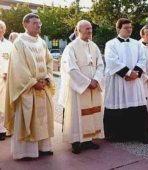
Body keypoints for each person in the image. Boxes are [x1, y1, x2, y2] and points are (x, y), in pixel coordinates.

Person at [4, 13, 55, 161]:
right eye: (35, 23)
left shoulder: (42, 42)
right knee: (27, 119)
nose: (39, 25)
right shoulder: (19, 43)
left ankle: (43, 148)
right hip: (27, 89)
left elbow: (49, 61)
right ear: (25, 25)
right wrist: (33, 83)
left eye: (39, 23)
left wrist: (46, 78)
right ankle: (26, 152)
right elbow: (18, 68)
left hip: (42, 86)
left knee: (43, 119)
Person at [58, 20, 104, 154]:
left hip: (93, 86)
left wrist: (96, 80)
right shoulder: (71, 47)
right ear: (78, 31)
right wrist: (86, 82)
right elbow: (70, 68)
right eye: (86, 29)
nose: (90, 31)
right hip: (79, 88)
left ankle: (88, 140)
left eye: (90, 28)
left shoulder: (94, 46)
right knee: (76, 115)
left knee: (92, 112)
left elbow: (100, 64)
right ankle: (76, 142)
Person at [104, 18, 148, 144]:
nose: (129, 29)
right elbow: (112, 61)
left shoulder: (137, 43)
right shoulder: (111, 44)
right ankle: (119, 135)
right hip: (119, 81)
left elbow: (142, 59)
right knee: (120, 103)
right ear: (118, 29)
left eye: (130, 27)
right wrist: (128, 73)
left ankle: (141, 134)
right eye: (126, 28)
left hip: (135, 81)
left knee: (137, 105)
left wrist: (135, 73)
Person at [0, 20, 13, 141]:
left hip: (7, 79)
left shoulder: (9, 45)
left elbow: (13, 61)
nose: (0, 30)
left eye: (1, 28)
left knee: (4, 106)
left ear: (4, 30)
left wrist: (9, 73)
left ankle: (3, 130)